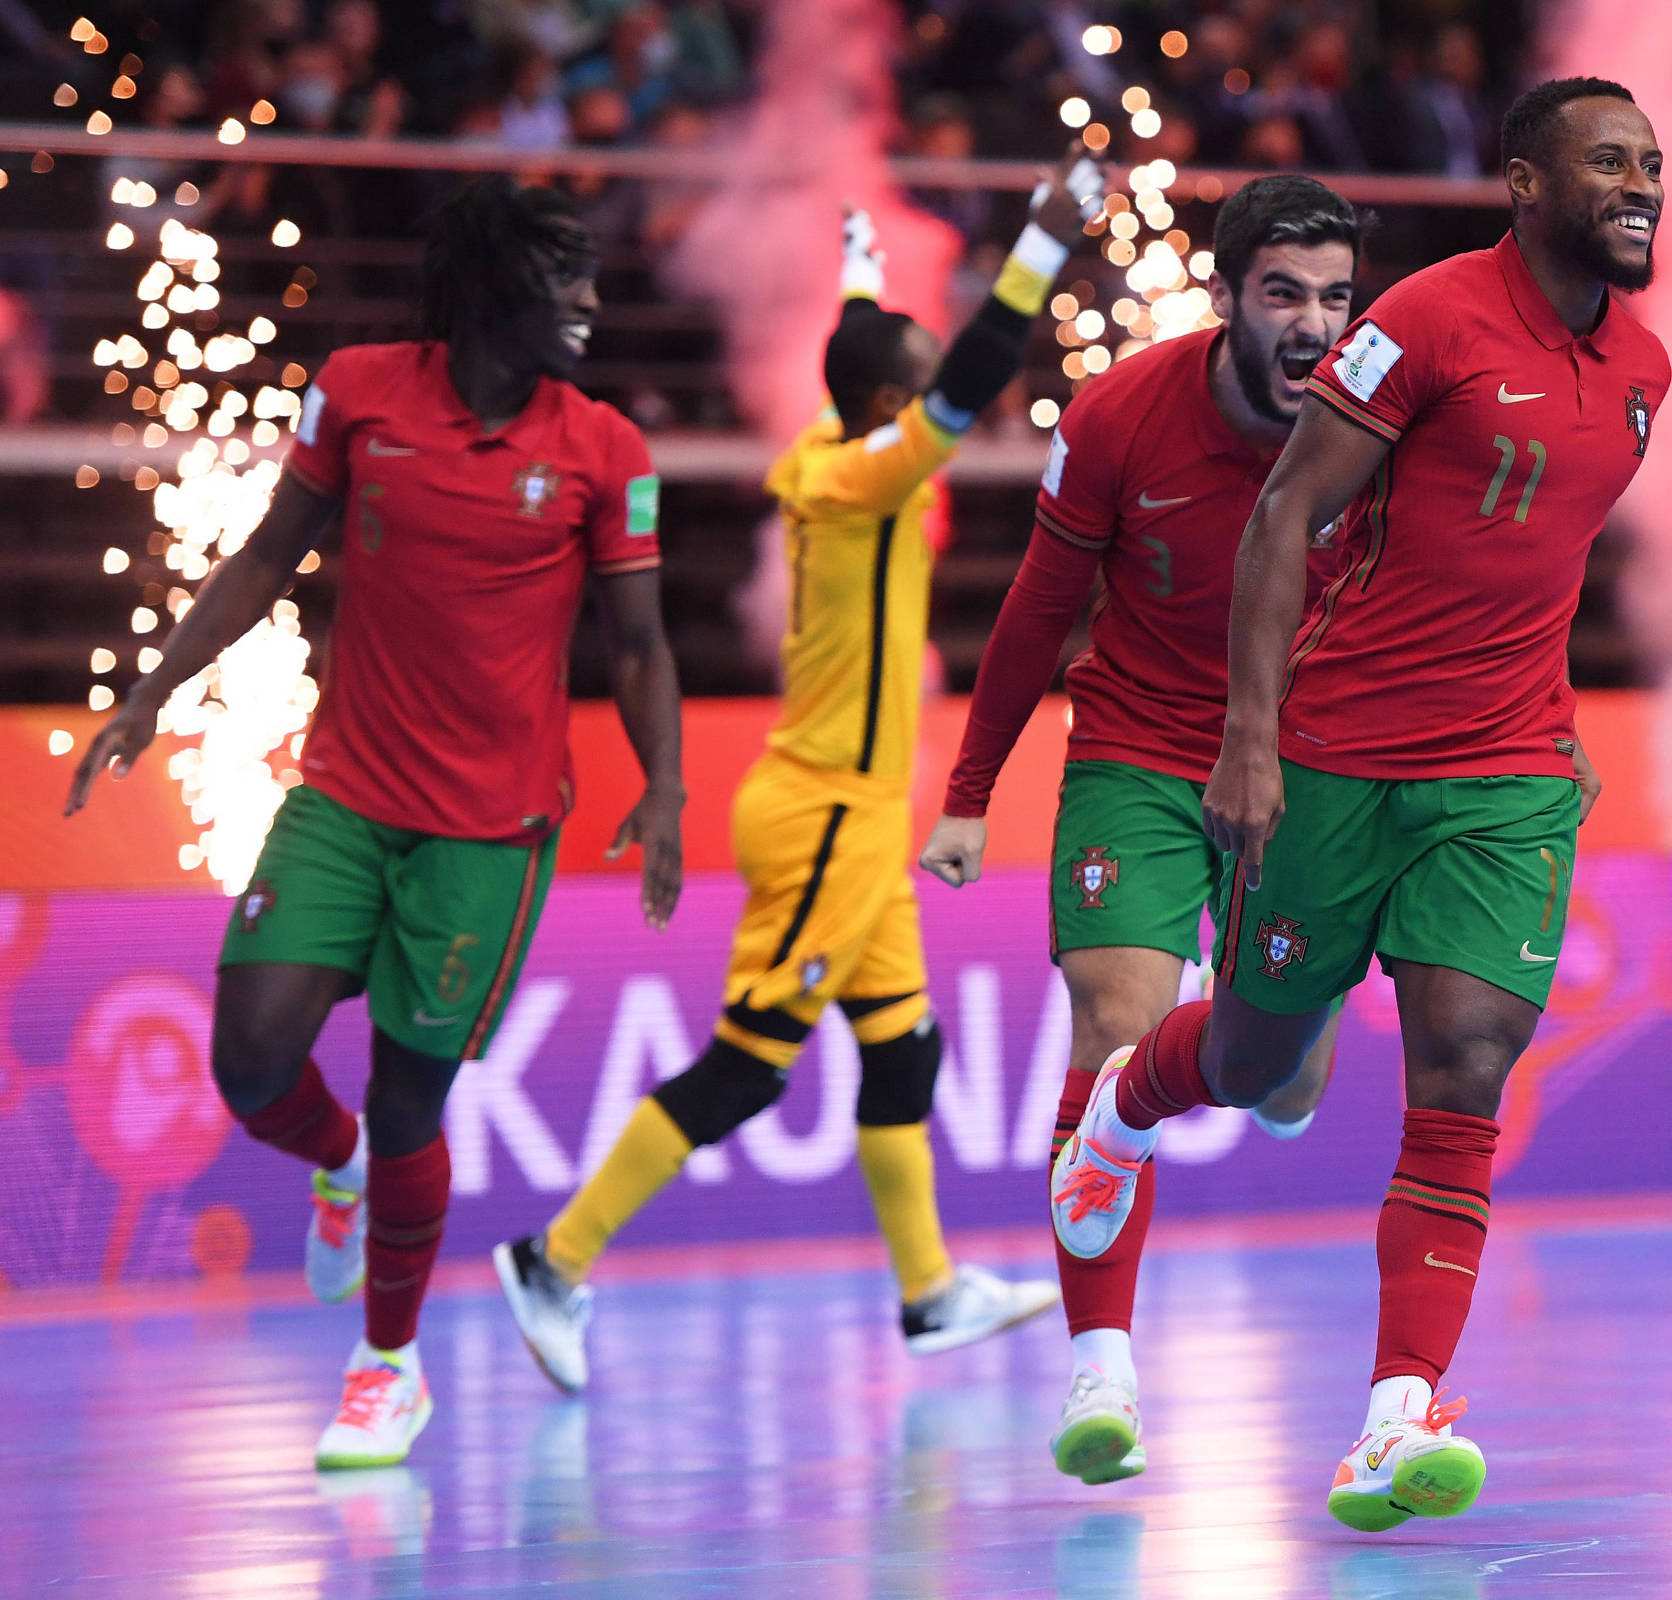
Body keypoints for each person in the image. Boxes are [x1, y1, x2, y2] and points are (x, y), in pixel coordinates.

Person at [1044, 78, 1659, 1531]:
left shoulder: (1647, 369)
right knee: (1258, 1066)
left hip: (1505, 773)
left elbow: (1530, 559)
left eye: (1651, 163)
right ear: (1522, 182)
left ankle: (1398, 1417)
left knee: (1467, 1060)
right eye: (1607, 162)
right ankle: (1126, 1112)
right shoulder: (1427, 325)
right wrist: (1249, 739)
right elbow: (1282, 519)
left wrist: (1552, 712)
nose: (1639, 185)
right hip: (1337, 755)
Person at [64, 178, 686, 1470]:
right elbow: (264, 553)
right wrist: (152, 690)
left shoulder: (606, 448)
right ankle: (331, 1162)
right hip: (344, 795)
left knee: (413, 1106)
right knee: (250, 1061)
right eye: (564, 278)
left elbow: (638, 643)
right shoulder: (355, 390)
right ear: (494, 287)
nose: (588, 300)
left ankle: (386, 1369)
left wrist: (665, 787)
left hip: (490, 833)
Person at [494, 152, 1104, 1392]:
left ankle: (929, 1293)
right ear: (893, 405)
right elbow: (971, 369)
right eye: (920, 380)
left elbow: (869, 348)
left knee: (903, 1054)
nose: (945, 388)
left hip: (864, 822)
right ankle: (554, 1257)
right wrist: (1039, 249)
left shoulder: (836, 433)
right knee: (748, 1062)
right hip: (824, 813)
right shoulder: (866, 473)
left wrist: (862, 262)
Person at [920, 175, 1363, 1488]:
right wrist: (966, 789)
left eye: (1336, 297)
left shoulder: (1381, 419)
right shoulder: (1120, 415)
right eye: (1283, 293)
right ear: (1228, 297)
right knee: (1113, 1030)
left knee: (1286, 1084)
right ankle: (1099, 1366)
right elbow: (1036, 605)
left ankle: (1247, 1025)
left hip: (1310, 766)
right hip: (1141, 753)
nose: (1312, 323)